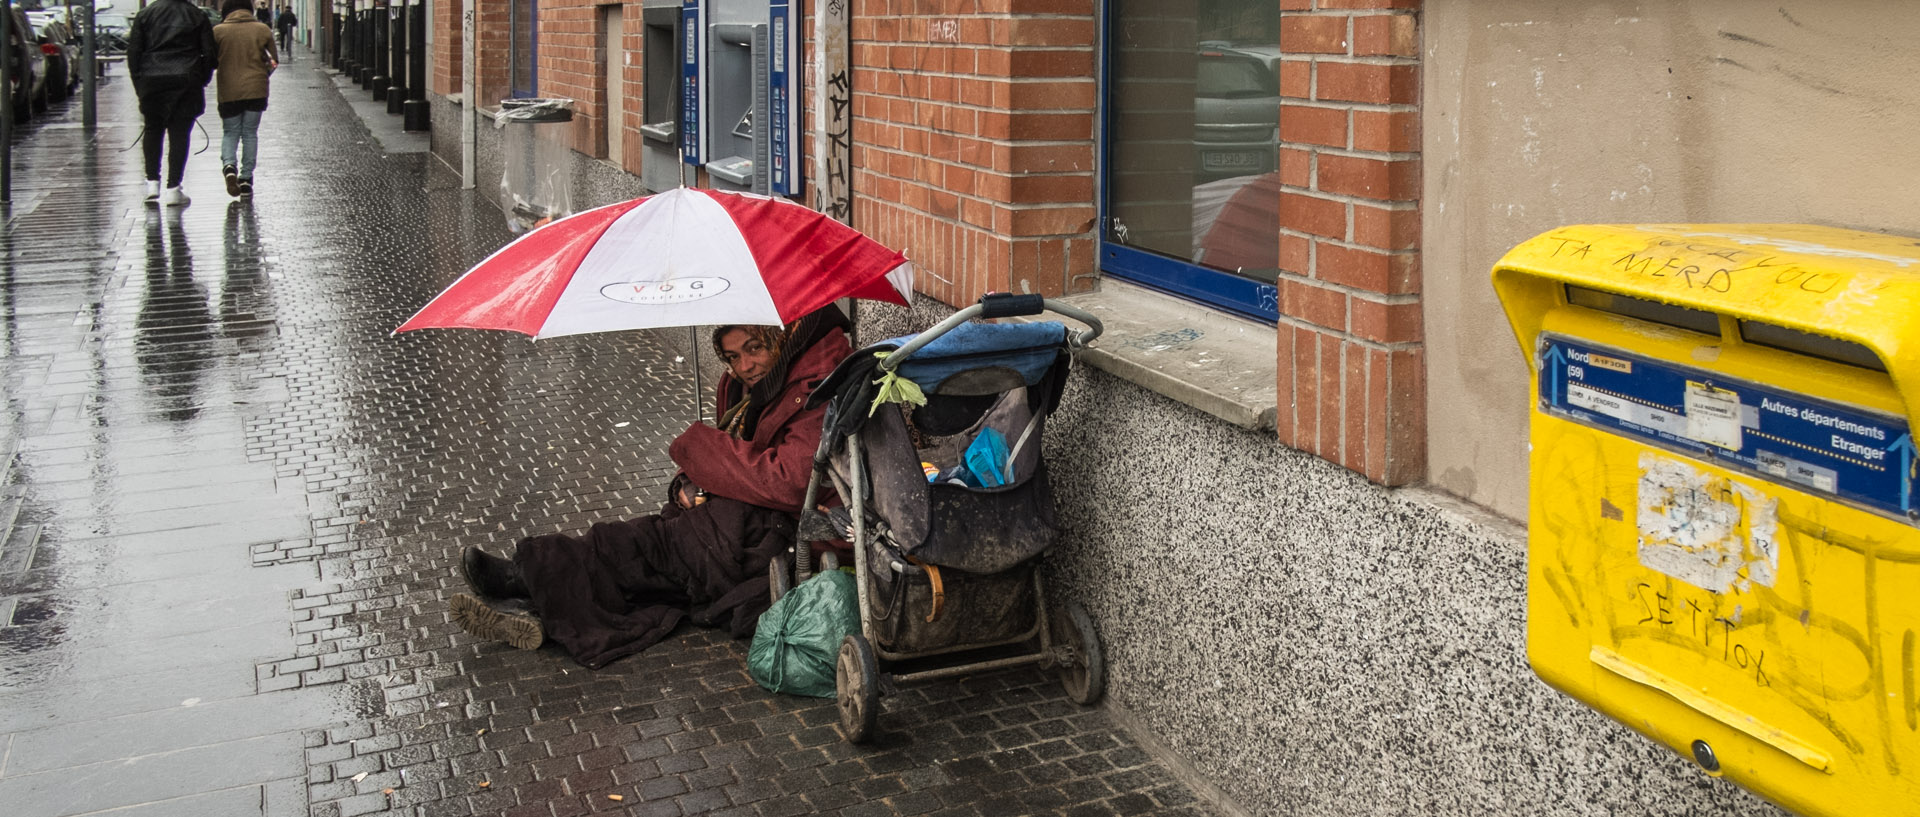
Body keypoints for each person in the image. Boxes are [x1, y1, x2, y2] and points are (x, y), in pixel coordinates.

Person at [449, 308, 854, 668]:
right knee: (652, 568)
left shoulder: (817, 385)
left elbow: (789, 481)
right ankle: (536, 603)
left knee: (647, 549)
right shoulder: (755, 388)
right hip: (746, 518)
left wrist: (701, 449)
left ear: (780, 338)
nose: (745, 365)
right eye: (732, 357)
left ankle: (525, 577)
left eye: (754, 349)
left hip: (787, 532)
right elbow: (738, 455)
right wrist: (690, 480)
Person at [125, 0, 217, 207]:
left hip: (151, 80)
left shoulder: (145, 15)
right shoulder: (196, 15)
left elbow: (133, 53)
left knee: (152, 129)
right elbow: (210, 54)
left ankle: (152, 183)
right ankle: (174, 187)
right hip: (186, 79)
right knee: (180, 133)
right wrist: (201, 78)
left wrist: (139, 82)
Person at [212, 0, 276, 200]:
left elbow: (211, 61)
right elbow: (273, 60)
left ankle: (229, 167)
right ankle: (246, 178)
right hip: (256, 89)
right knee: (250, 133)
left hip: (228, 90)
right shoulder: (262, 29)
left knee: (230, 132)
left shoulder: (218, 32)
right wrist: (262, 74)